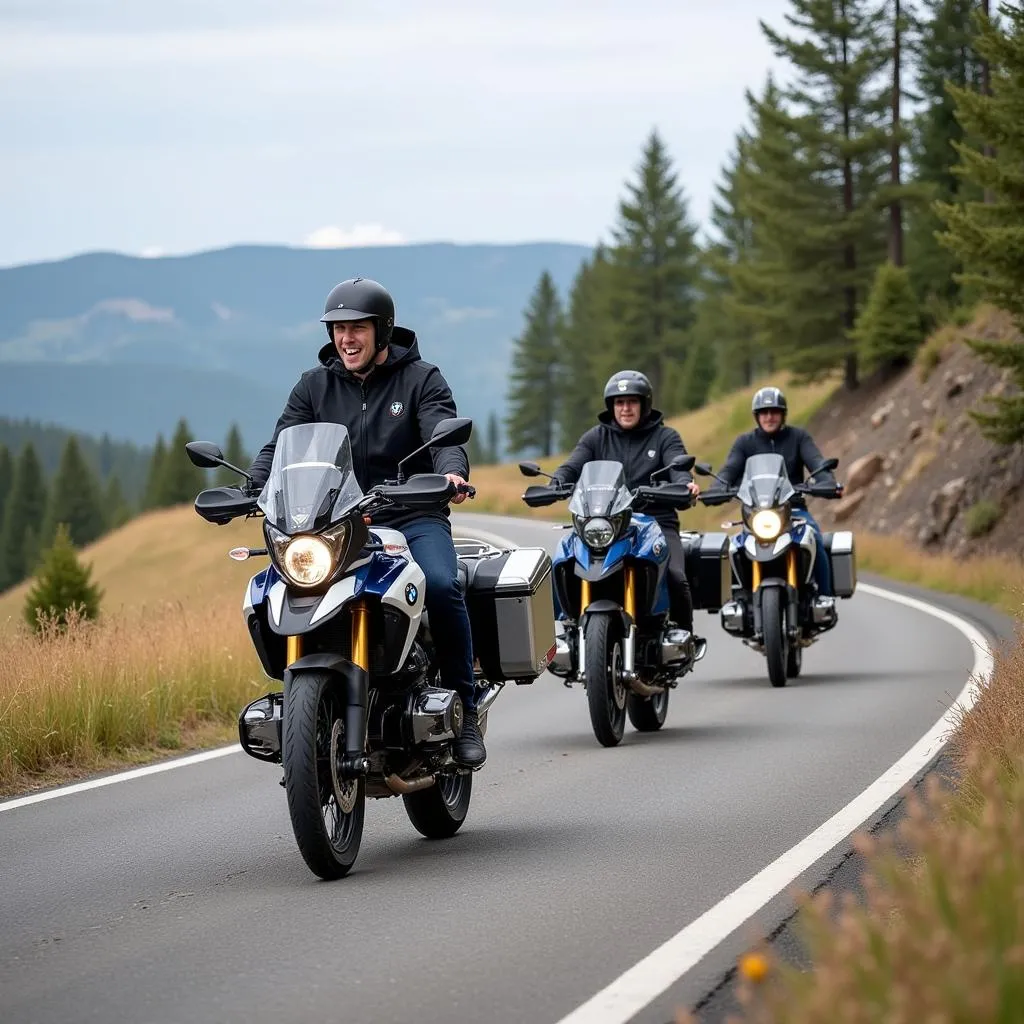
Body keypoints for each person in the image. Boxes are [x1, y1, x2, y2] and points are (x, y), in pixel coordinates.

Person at [246, 276, 487, 769]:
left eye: (356, 327)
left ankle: (463, 710)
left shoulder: (421, 379)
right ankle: (303, 705)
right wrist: (253, 485)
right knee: (280, 588)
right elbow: (280, 444)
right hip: (335, 523)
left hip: (410, 515)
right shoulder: (314, 385)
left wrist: (451, 476)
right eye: (337, 329)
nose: (345, 339)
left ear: (382, 330)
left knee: (441, 584)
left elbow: (444, 439)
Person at [549, 369, 702, 637]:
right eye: (619, 403)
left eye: (632, 402)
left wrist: (684, 483)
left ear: (644, 404)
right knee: (563, 561)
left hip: (655, 521)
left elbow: (678, 465)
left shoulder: (665, 437)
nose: (625, 408)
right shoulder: (596, 437)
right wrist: (556, 482)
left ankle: (682, 636)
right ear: (611, 406)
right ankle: (569, 627)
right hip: (603, 522)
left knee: (676, 575)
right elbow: (572, 465)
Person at [714, 386, 841, 598]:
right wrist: (718, 488)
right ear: (757, 416)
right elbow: (729, 469)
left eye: (774, 411)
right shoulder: (745, 442)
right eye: (764, 412)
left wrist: (826, 481)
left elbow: (816, 461)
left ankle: (824, 598)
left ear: (783, 414)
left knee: (814, 539)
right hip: (755, 515)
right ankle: (739, 597)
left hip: (794, 511)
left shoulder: (798, 437)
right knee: (734, 548)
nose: (769, 416)